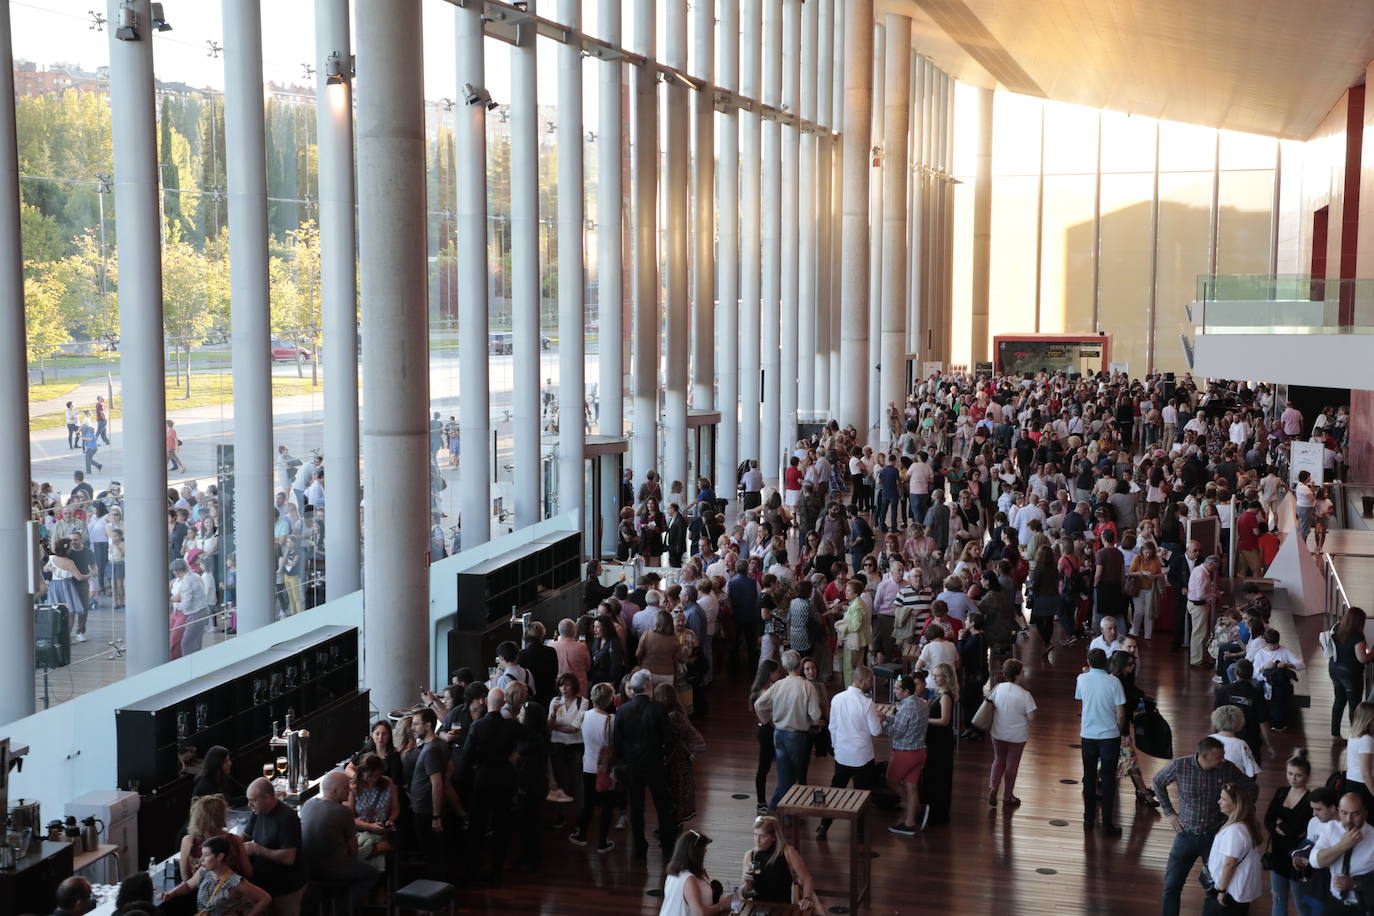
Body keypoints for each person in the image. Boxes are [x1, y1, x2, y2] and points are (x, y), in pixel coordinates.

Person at [1154, 736, 1253, 916]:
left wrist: (1238, 815)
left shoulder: (1228, 769)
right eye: (1219, 757)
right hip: (1186, 835)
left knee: (1215, 887)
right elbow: (1158, 781)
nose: (1223, 759)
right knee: (1171, 886)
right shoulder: (1180, 766)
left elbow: (1251, 788)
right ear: (1204, 756)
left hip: (1215, 838)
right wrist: (1169, 813)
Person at [457, 688, 525, 884]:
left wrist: (462, 778)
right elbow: (536, 739)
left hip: (483, 778)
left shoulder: (477, 727)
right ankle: (496, 872)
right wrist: (516, 754)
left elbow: (467, 756)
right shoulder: (510, 726)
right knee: (501, 827)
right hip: (504, 778)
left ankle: (472, 869)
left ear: (487, 702)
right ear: (503, 703)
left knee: (477, 826)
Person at [614, 669, 680, 856]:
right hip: (655, 763)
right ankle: (667, 845)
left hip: (632, 765)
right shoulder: (658, 709)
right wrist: (664, 756)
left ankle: (639, 846)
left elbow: (617, 741)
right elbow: (669, 739)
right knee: (662, 804)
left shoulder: (623, 710)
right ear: (648, 686)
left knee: (636, 807)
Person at [818, 666, 883, 839]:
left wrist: (836, 746)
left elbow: (833, 726)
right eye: (870, 680)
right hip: (862, 756)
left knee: (835, 790)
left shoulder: (838, 698)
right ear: (861, 681)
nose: (872, 684)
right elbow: (876, 731)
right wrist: (880, 719)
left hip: (842, 754)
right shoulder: (866, 703)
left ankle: (824, 826)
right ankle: (860, 832)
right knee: (862, 794)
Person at [753, 649, 822, 811]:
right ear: (799, 664)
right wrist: (812, 721)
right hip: (796, 736)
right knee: (790, 780)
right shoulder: (807, 686)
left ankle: (785, 813)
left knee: (785, 775)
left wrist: (767, 719)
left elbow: (759, 705)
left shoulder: (778, 685)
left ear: (785, 666)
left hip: (778, 734)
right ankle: (773, 810)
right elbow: (815, 714)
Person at [300, 771, 378, 905]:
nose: (350, 790)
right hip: (332, 871)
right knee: (371, 873)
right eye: (346, 787)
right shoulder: (344, 812)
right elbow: (354, 851)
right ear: (335, 791)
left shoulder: (308, 804)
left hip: (307, 869)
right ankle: (343, 907)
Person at [1076, 648, 1125, 836]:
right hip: (1109, 736)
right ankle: (1107, 824)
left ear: (1088, 661)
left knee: (1089, 777)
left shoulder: (1082, 679)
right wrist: (1119, 730)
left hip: (1088, 734)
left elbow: (1079, 698)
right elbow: (1120, 712)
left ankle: (1088, 819)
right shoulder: (1114, 682)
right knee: (1108, 780)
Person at [159, 836, 270, 916]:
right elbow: (188, 885)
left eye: (206, 855)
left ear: (220, 856)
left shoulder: (234, 882)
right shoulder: (203, 871)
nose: (201, 859)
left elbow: (265, 898)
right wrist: (171, 894)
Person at [1264, 749, 1314, 915]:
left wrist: (1279, 824)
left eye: (1298, 775)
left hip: (1298, 860)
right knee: (1278, 901)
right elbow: (1268, 819)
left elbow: (1296, 830)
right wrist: (1279, 825)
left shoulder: (1310, 800)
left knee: (1302, 905)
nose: (1292, 778)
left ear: (1307, 776)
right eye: (1290, 773)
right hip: (1278, 857)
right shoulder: (1281, 792)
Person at [571, 681, 619, 853]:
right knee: (606, 805)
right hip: (605, 769)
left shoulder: (585, 715)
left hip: (588, 765)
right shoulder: (610, 720)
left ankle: (582, 834)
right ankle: (602, 842)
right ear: (610, 699)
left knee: (588, 802)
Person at [1204, 781, 1264, 913]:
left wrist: (1221, 891)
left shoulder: (1235, 831)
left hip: (1230, 891)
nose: (1219, 801)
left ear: (1236, 804)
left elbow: (1230, 864)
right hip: (1235, 890)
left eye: (1224, 799)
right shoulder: (1243, 825)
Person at [742, 816, 823, 911]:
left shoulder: (788, 852)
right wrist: (748, 883)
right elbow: (745, 895)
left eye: (763, 836)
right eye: (755, 835)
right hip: (758, 909)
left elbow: (807, 878)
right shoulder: (750, 855)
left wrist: (807, 898)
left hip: (782, 909)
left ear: (774, 838)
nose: (757, 840)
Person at [882, 672, 929, 834]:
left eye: (897, 689)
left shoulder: (906, 708)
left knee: (891, 781)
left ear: (906, 692)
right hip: (920, 752)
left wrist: (882, 723)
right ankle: (910, 822)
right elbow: (905, 723)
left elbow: (896, 733)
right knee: (911, 786)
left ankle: (912, 807)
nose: (895, 691)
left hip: (904, 753)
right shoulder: (922, 703)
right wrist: (888, 718)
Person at [407, 708, 451, 878]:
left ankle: (435, 892)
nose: (413, 727)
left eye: (416, 724)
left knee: (432, 855)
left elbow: (437, 784)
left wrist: (436, 816)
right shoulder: (439, 743)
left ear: (428, 725)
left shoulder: (431, 750)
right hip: (427, 810)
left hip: (427, 812)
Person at [987, 658, 1036, 808]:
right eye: (1022, 672)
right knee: (1012, 765)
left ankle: (993, 787)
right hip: (1017, 736)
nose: (1024, 674)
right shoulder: (1025, 695)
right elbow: (1031, 716)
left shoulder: (998, 688)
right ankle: (1008, 796)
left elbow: (990, 704)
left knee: (998, 759)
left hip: (998, 732)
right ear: (1017, 675)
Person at [1312, 792, 1374, 910]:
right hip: (1335, 902)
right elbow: (1315, 861)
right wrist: (1342, 846)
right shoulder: (1331, 828)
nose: (1348, 819)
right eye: (1344, 813)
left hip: (1365, 907)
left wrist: (1354, 884)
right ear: (1338, 810)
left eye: (1355, 814)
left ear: (1365, 813)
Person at [179, 794, 252, 881]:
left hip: (202, 892)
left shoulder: (188, 841)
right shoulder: (235, 840)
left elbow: (186, 879)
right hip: (234, 891)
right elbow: (248, 873)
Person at [659, 830, 731, 916]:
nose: (706, 851)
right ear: (695, 853)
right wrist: (722, 905)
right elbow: (699, 913)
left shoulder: (676, 871)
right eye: (704, 848)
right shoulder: (688, 879)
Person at [347, 754, 400, 869]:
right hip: (361, 830)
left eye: (378, 775)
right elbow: (350, 819)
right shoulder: (354, 788)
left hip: (383, 829)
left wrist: (390, 820)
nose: (374, 779)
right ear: (362, 772)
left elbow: (395, 808)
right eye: (370, 776)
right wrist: (369, 826)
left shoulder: (388, 783)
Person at [921, 663, 958, 827]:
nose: (934, 678)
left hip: (941, 741)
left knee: (939, 775)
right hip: (937, 739)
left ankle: (938, 812)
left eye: (937, 675)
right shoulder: (940, 694)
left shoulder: (945, 696)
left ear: (946, 678)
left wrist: (925, 719)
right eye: (933, 675)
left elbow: (944, 720)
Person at [1329, 606, 1372, 739]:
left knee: (1339, 701)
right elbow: (1362, 658)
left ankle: (1335, 733)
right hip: (1350, 674)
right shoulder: (1358, 636)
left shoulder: (1336, 629)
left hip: (1334, 669)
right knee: (1354, 705)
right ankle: (1356, 735)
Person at [547, 673, 587, 808]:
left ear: (574, 686)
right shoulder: (555, 701)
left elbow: (575, 728)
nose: (564, 688)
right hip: (557, 746)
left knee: (577, 782)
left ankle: (579, 814)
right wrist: (553, 713)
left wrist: (556, 726)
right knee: (560, 781)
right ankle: (562, 814)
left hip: (576, 746)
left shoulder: (583, 702)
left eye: (568, 685)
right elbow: (548, 726)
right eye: (561, 685)